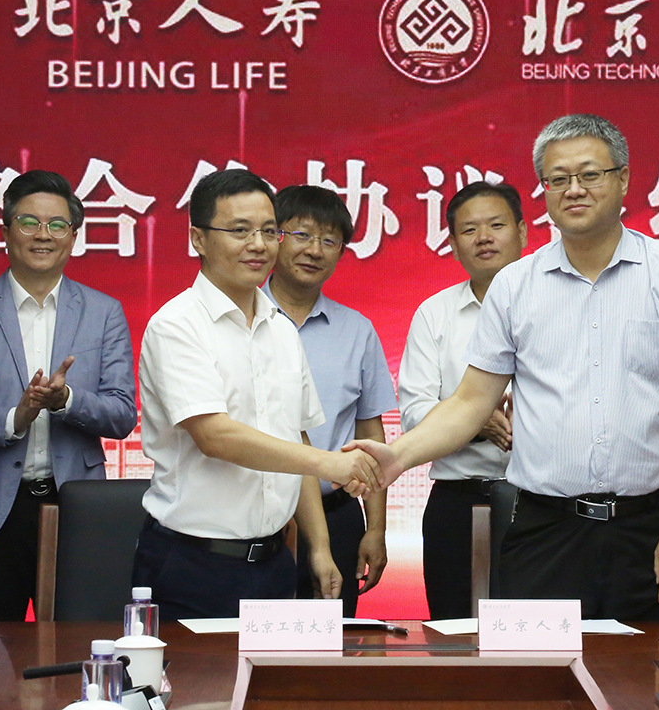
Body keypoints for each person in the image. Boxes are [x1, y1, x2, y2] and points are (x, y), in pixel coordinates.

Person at [347, 114, 659, 620]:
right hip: (544, 529)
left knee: (647, 666)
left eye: (590, 174)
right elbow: (470, 403)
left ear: (623, 179)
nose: (575, 189)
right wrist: (397, 458)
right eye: (558, 179)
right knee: (539, 666)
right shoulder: (515, 285)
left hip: (651, 525)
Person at [132, 168, 381, 617]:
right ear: (198, 238)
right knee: (194, 670)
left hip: (274, 563)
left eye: (269, 231)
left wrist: (319, 546)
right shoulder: (176, 325)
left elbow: (297, 439)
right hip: (193, 562)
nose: (259, 245)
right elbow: (215, 436)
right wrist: (329, 463)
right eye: (240, 231)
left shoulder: (280, 328)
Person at [0, 169, 138, 622]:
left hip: (76, 507)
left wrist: (67, 400)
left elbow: (121, 415)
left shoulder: (104, 312)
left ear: (73, 237)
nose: (43, 235)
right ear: (5, 232)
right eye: (29, 222)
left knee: (79, 648)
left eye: (57, 224)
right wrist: (11, 420)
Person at [263, 185, 397, 616]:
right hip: (256, 517)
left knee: (331, 640)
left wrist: (376, 527)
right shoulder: (240, 319)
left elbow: (370, 432)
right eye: (301, 234)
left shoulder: (356, 330)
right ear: (273, 237)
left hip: (337, 514)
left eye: (329, 240)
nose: (314, 250)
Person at [399, 180, 528, 619]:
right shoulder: (434, 314)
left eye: (496, 225)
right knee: (452, 631)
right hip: (457, 501)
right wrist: (475, 422)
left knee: (535, 634)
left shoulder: (561, 307)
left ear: (522, 232)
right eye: (470, 230)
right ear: (453, 245)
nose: (484, 238)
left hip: (540, 503)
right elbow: (414, 415)